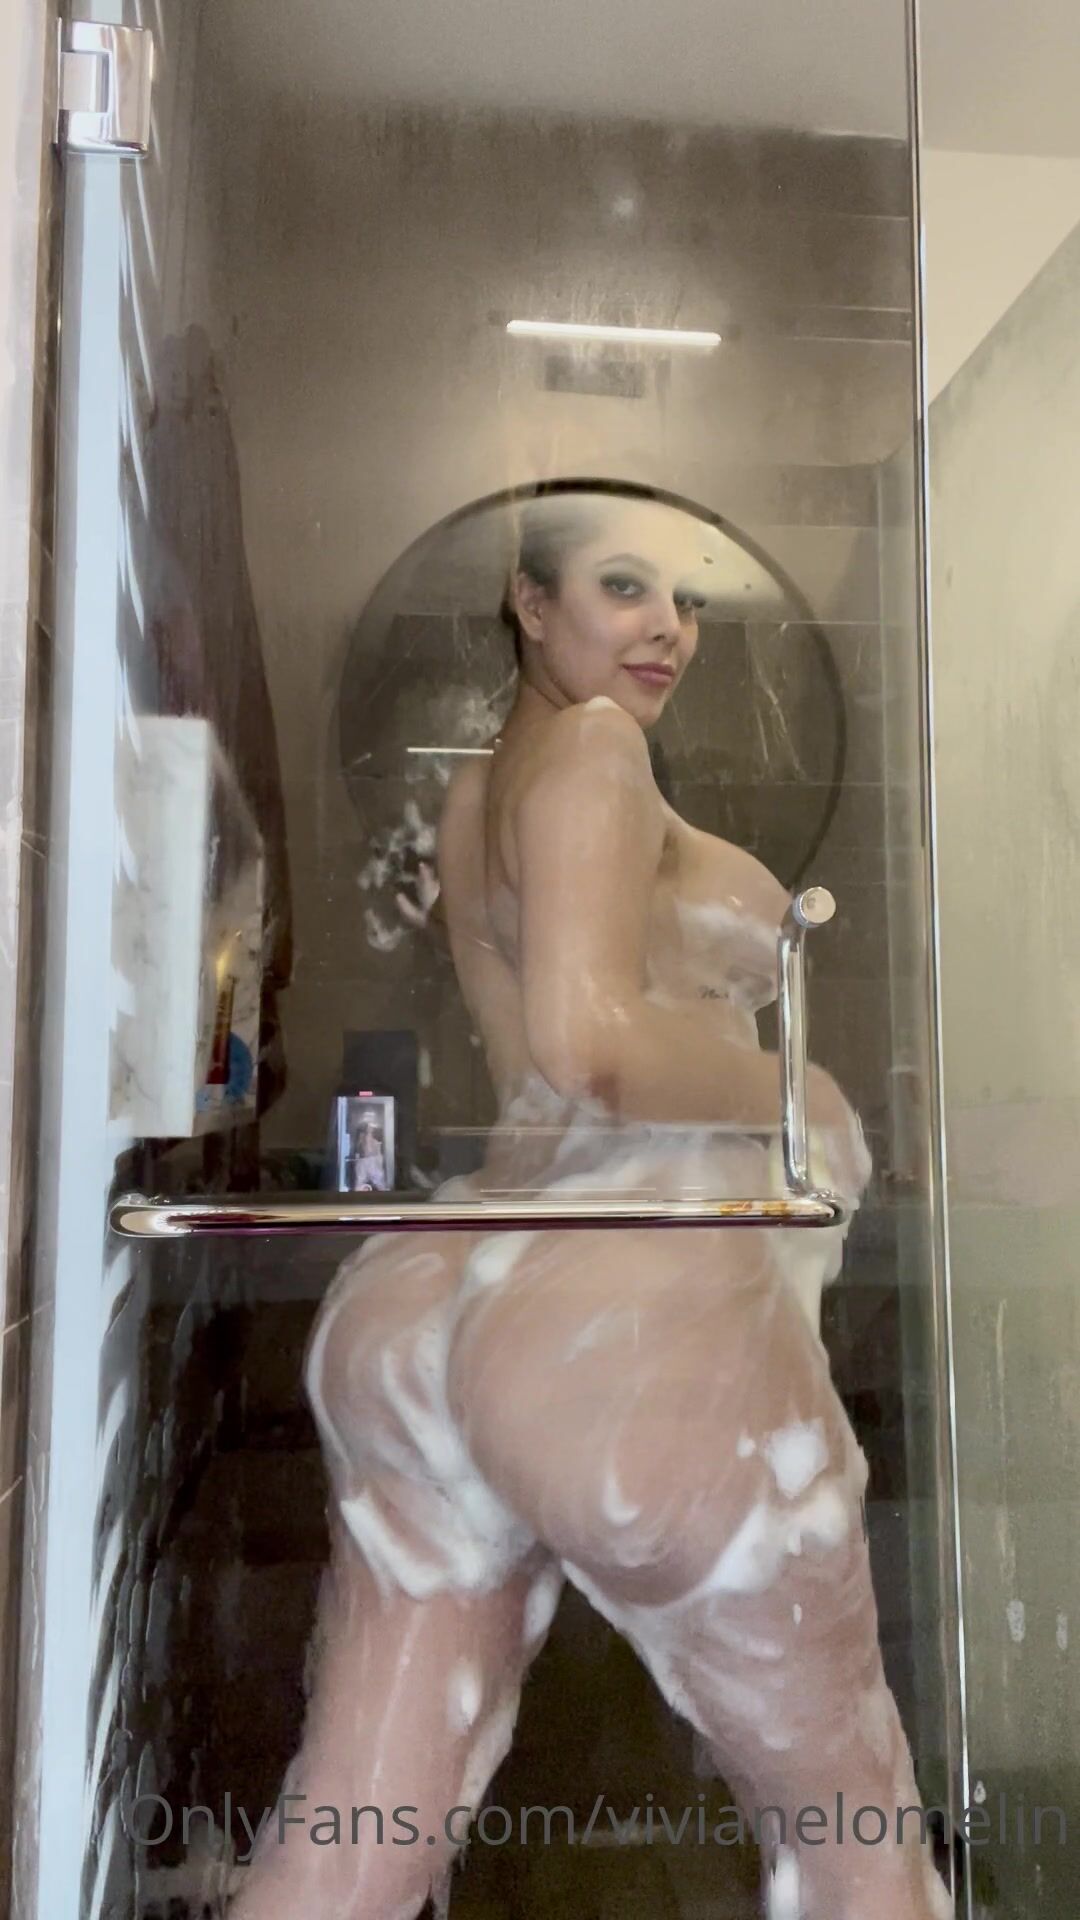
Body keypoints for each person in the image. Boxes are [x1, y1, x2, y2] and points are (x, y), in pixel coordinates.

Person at [231, 484, 952, 1920]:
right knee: (855, 1838)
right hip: (631, 1316)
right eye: (624, 587)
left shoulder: (476, 795)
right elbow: (587, 1043)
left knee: (348, 1852)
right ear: (529, 600)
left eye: (686, 599)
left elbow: (530, 1078)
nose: (667, 627)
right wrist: (802, 1097)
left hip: (436, 1306)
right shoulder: (601, 753)